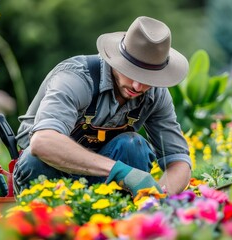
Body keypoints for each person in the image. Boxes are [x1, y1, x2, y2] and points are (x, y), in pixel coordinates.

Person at [13, 16, 191, 198]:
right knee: (35, 160)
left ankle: (125, 220)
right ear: (118, 59)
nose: (138, 87)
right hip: (50, 176)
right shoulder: (76, 79)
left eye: (148, 78)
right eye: (132, 72)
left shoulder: (156, 95)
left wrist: (157, 197)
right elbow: (42, 142)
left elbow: (179, 160)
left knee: (133, 145)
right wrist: (121, 171)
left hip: (103, 185)